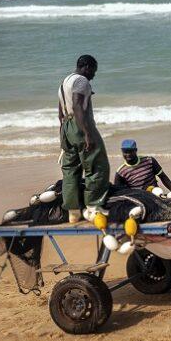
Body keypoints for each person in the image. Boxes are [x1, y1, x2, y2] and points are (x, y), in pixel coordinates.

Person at [58, 54, 110, 222]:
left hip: (66, 126)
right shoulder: (81, 81)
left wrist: (64, 132)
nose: (94, 75)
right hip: (80, 125)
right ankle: (93, 207)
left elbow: (61, 110)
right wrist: (87, 133)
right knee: (97, 164)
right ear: (86, 67)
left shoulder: (64, 81)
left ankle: (73, 211)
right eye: (93, 70)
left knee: (70, 169)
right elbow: (78, 105)